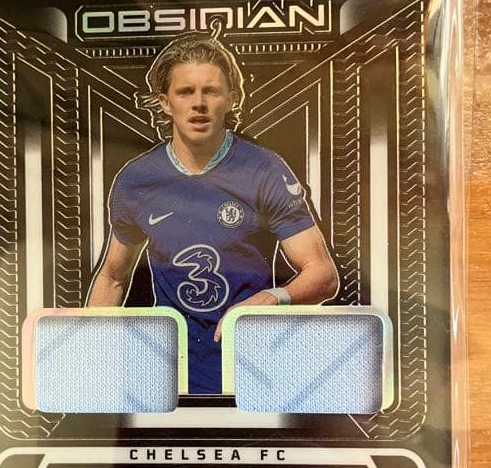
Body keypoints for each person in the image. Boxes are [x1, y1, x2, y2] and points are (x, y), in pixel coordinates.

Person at [86, 25, 339, 394]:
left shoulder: (264, 170)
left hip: (254, 373)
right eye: (185, 91)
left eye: (211, 91)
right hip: (168, 378)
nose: (199, 103)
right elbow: (113, 278)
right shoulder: (137, 179)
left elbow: (322, 274)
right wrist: (93, 360)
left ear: (232, 99)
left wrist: (271, 298)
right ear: (165, 102)